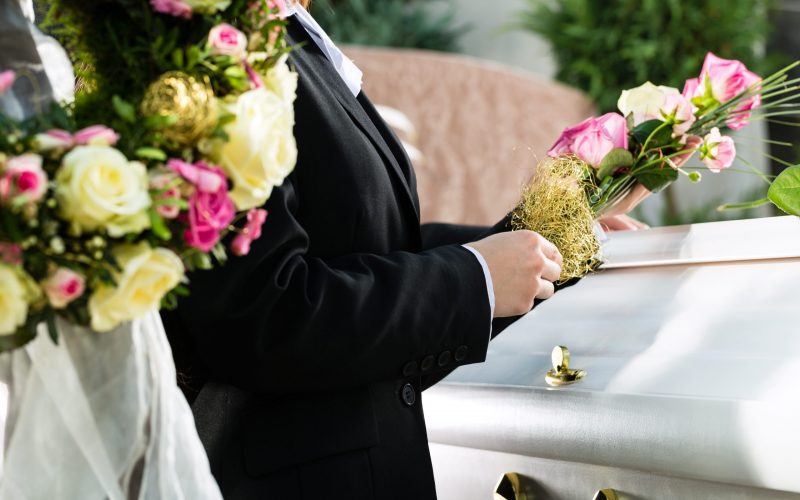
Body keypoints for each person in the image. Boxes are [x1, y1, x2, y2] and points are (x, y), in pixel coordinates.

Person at [162, 1, 640, 498]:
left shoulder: (287, 37)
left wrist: (561, 229)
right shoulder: (221, 47)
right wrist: (473, 280)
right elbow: (264, 315)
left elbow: (375, 250)